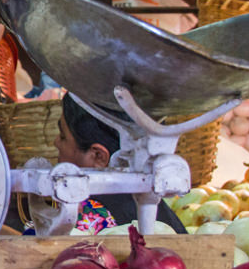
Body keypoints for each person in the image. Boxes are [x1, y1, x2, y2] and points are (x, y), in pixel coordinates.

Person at [55, 93, 186, 234]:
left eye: (63, 136)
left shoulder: (84, 216)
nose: (56, 142)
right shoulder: (161, 211)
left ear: (98, 156)